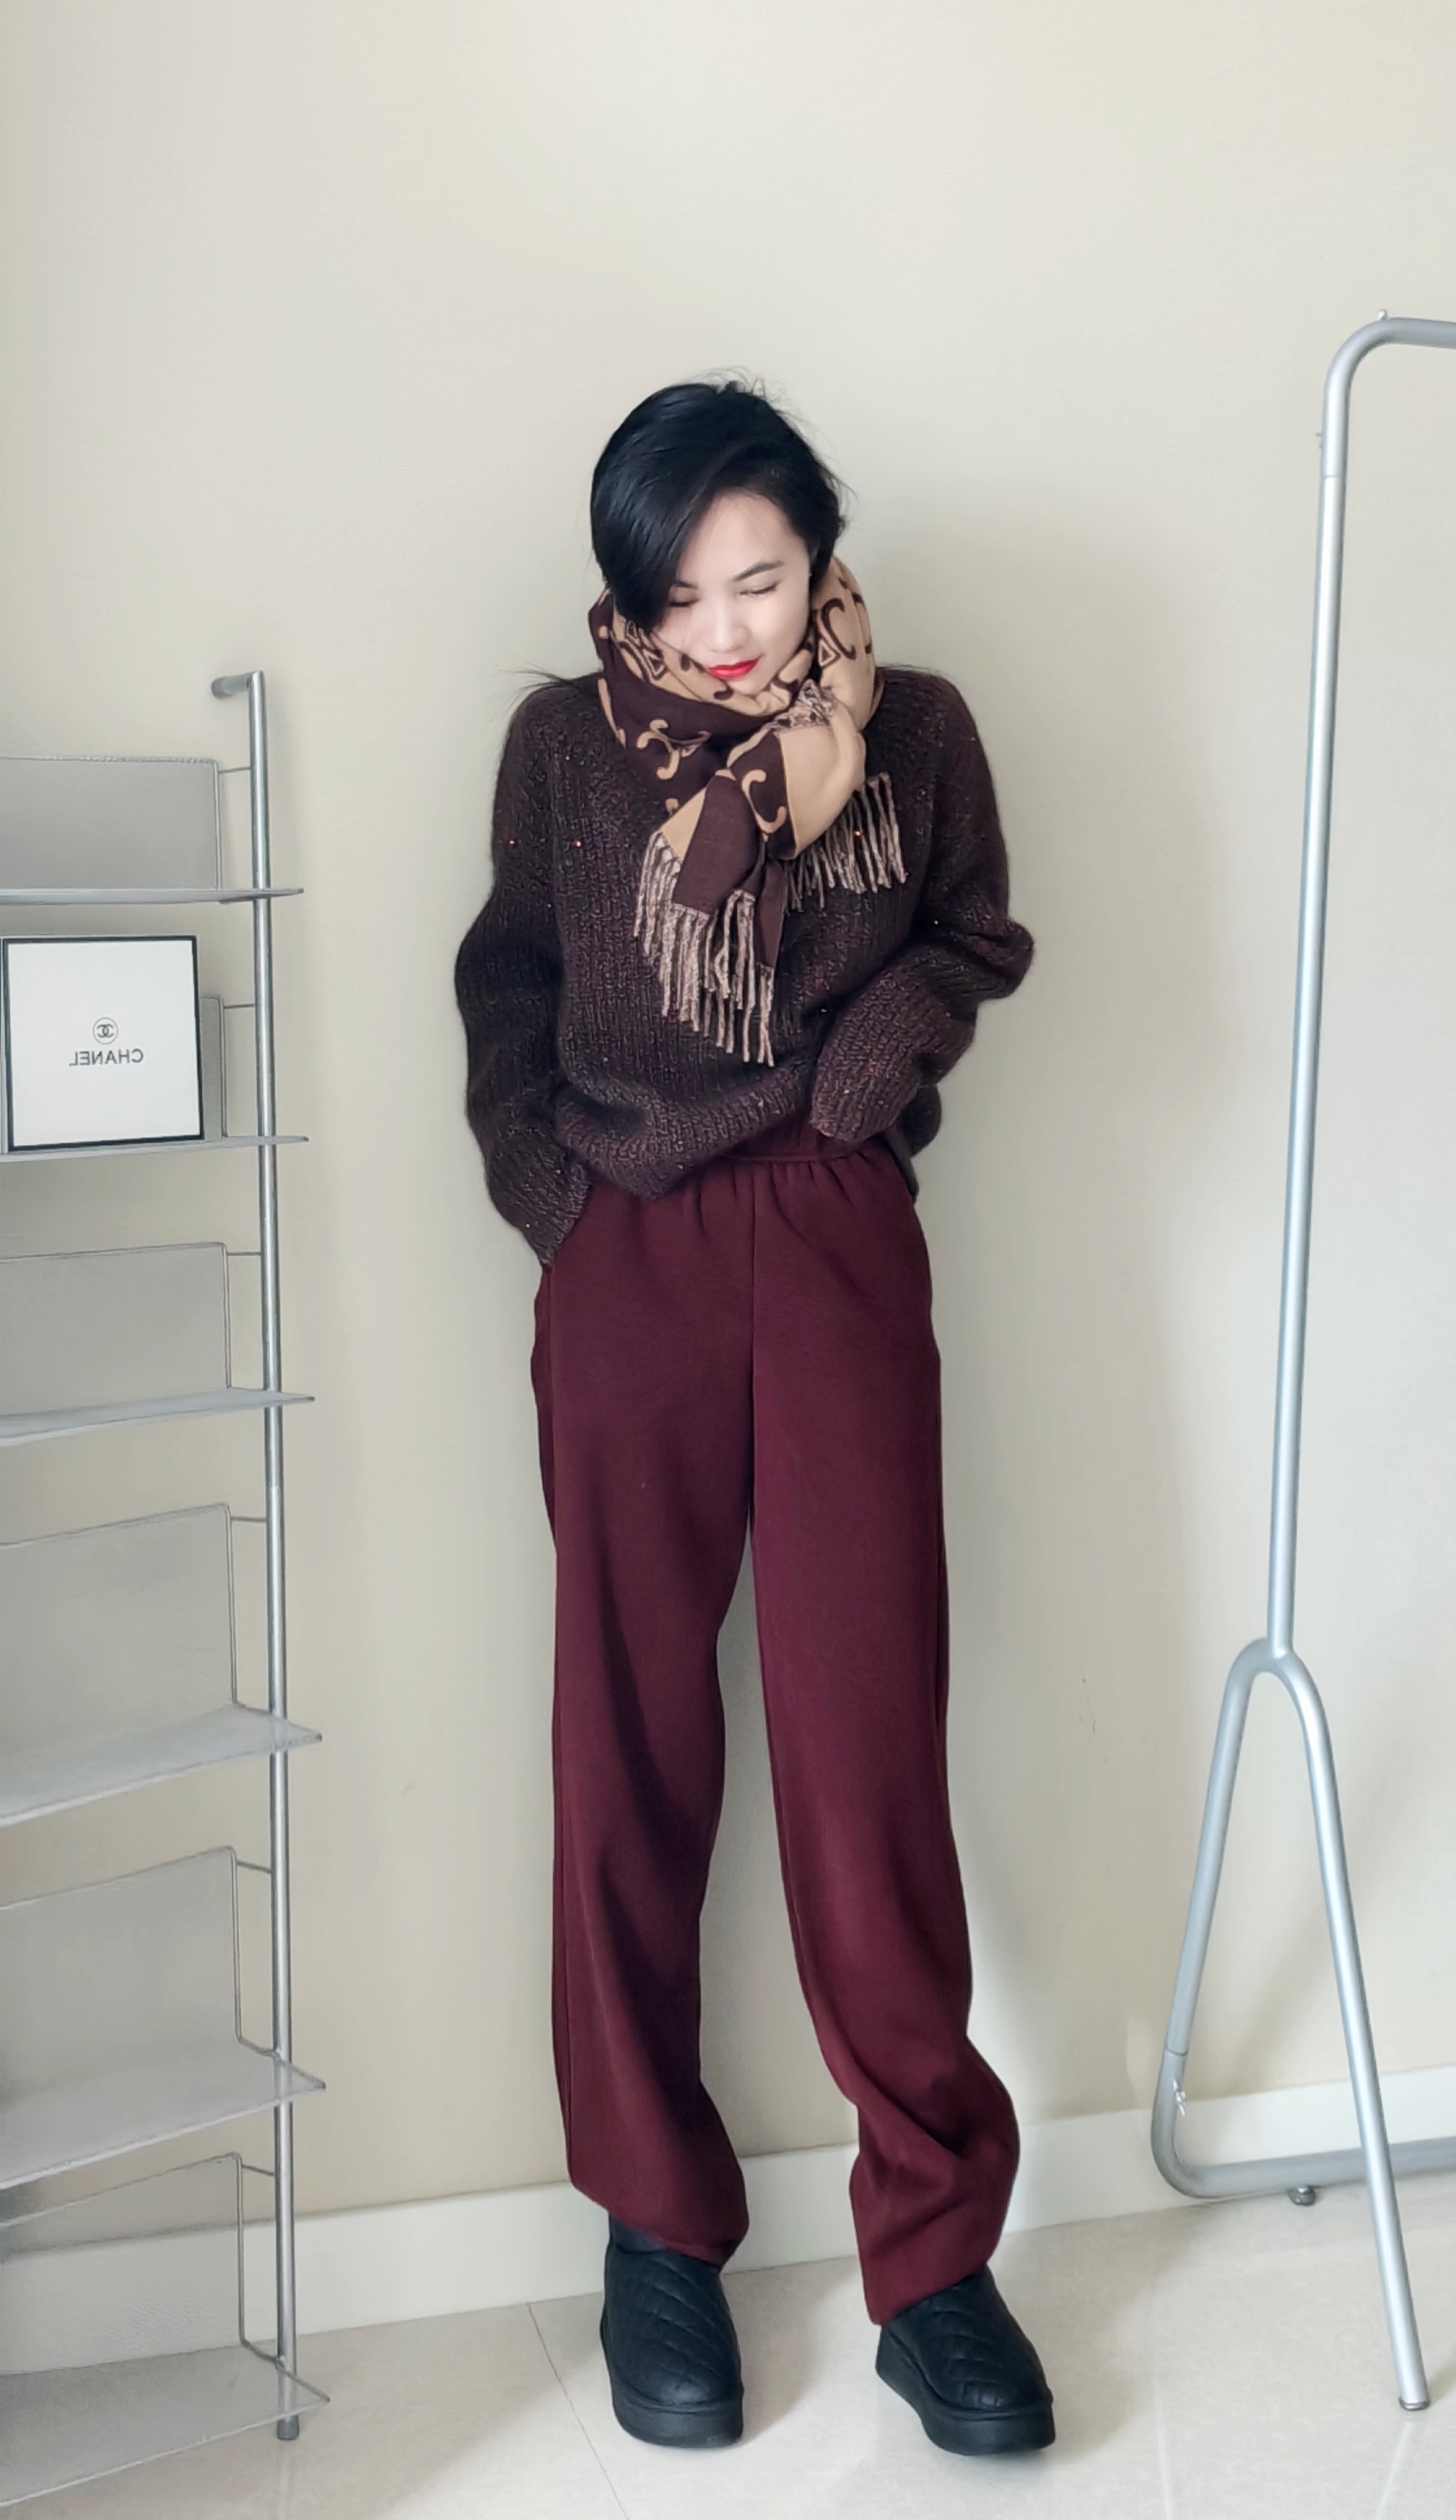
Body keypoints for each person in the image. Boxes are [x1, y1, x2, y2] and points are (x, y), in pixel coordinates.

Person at [454, 379, 1050, 2458]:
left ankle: (934, 2258)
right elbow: (510, 986)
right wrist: (552, 1198)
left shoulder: (919, 732)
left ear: (821, 562)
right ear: (628, 594)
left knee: (864, 1741)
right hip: (625, 1248)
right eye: (680, 594)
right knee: (625, 1744)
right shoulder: (563, 751)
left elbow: (973, 932)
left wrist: (858, 1089)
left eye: (763, 581)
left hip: (829, 1236)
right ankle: (654, 2227)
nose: (723, 633)